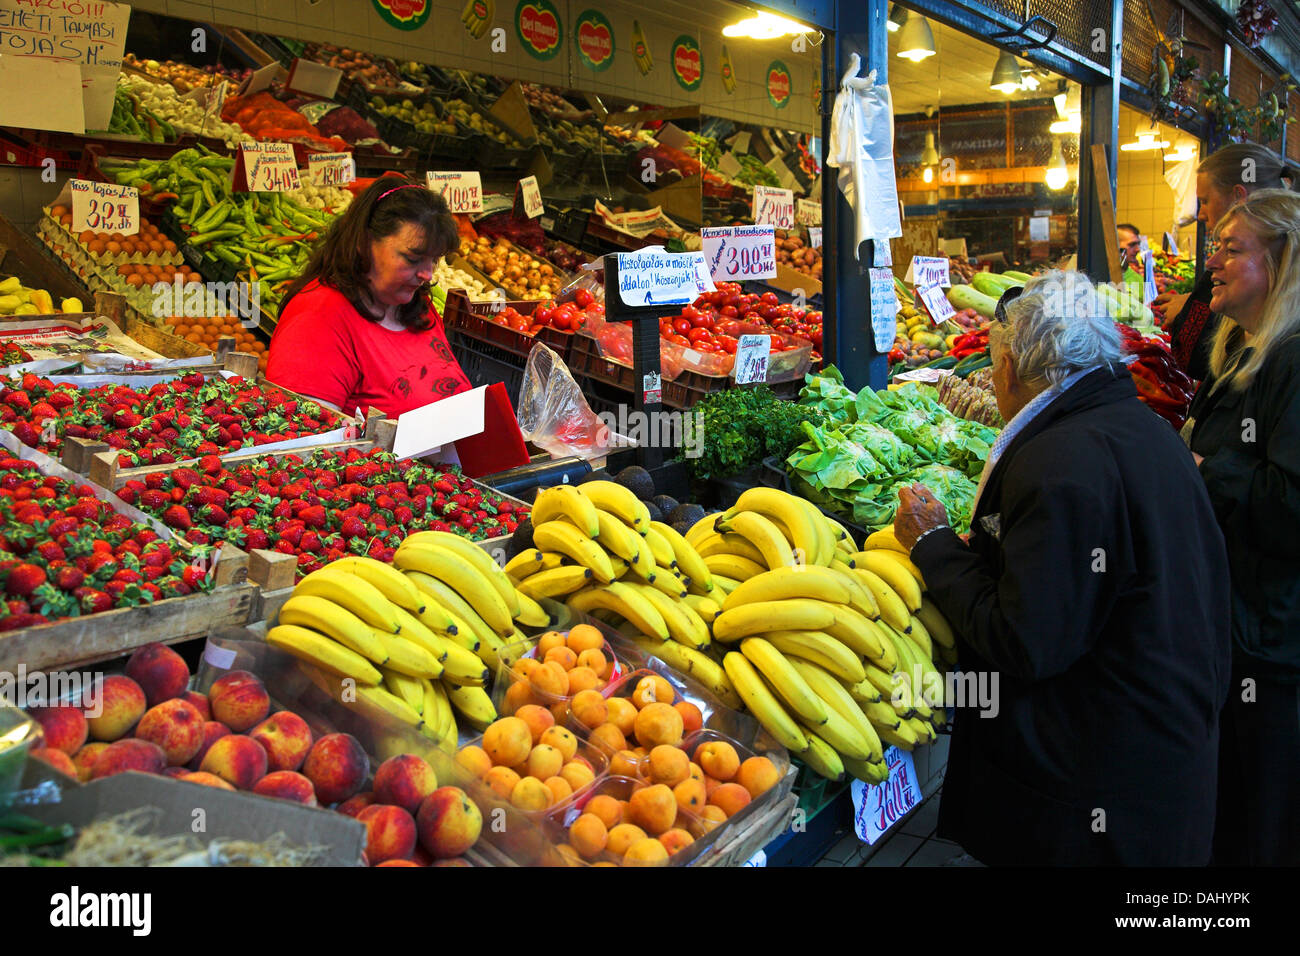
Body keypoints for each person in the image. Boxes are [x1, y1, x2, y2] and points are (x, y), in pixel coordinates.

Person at [894, 271, 1231, 866]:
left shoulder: (1061, 462)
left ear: (1008, 370)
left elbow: (1027, 640)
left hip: (1093, 803)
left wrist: (936, 545)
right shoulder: (1142, 430)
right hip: (1157, 765)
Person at [1183, 189, 1300, 866]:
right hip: (1234, 627)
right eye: (1214, 245)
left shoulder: (1292, 360)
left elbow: (1292, 507)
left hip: (1269, 638)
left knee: (1261, 813)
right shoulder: (1240, 352)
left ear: (1282, 263)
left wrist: (1203, 465)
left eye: (1232, 248)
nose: (1213, 262)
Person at [267, 175, 472, 418]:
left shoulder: (417, 305)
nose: (427, 274)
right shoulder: (317, 319)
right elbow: (304, 436)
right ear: (364, 243)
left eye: (435, 259)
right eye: (413, 258)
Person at [1153, 143, 1298, 382]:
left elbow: (1196, 359)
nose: (1212, 263)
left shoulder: (1287, 360)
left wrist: (1187, 313)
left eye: (1206, 200)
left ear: (1239, 197)